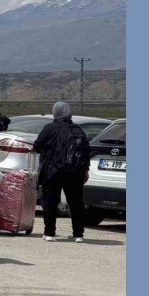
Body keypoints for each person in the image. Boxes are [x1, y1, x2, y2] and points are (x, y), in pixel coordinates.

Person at [32, 101, 92, 243]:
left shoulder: (50, 128)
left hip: (53, 171)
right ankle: (78, 234)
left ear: (55, 112)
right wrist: (85, 170)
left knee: (50, 201)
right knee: (76, 203)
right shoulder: (78, 129)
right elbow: (85, 151)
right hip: (75, 172)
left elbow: (37, 145)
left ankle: (50, 233)